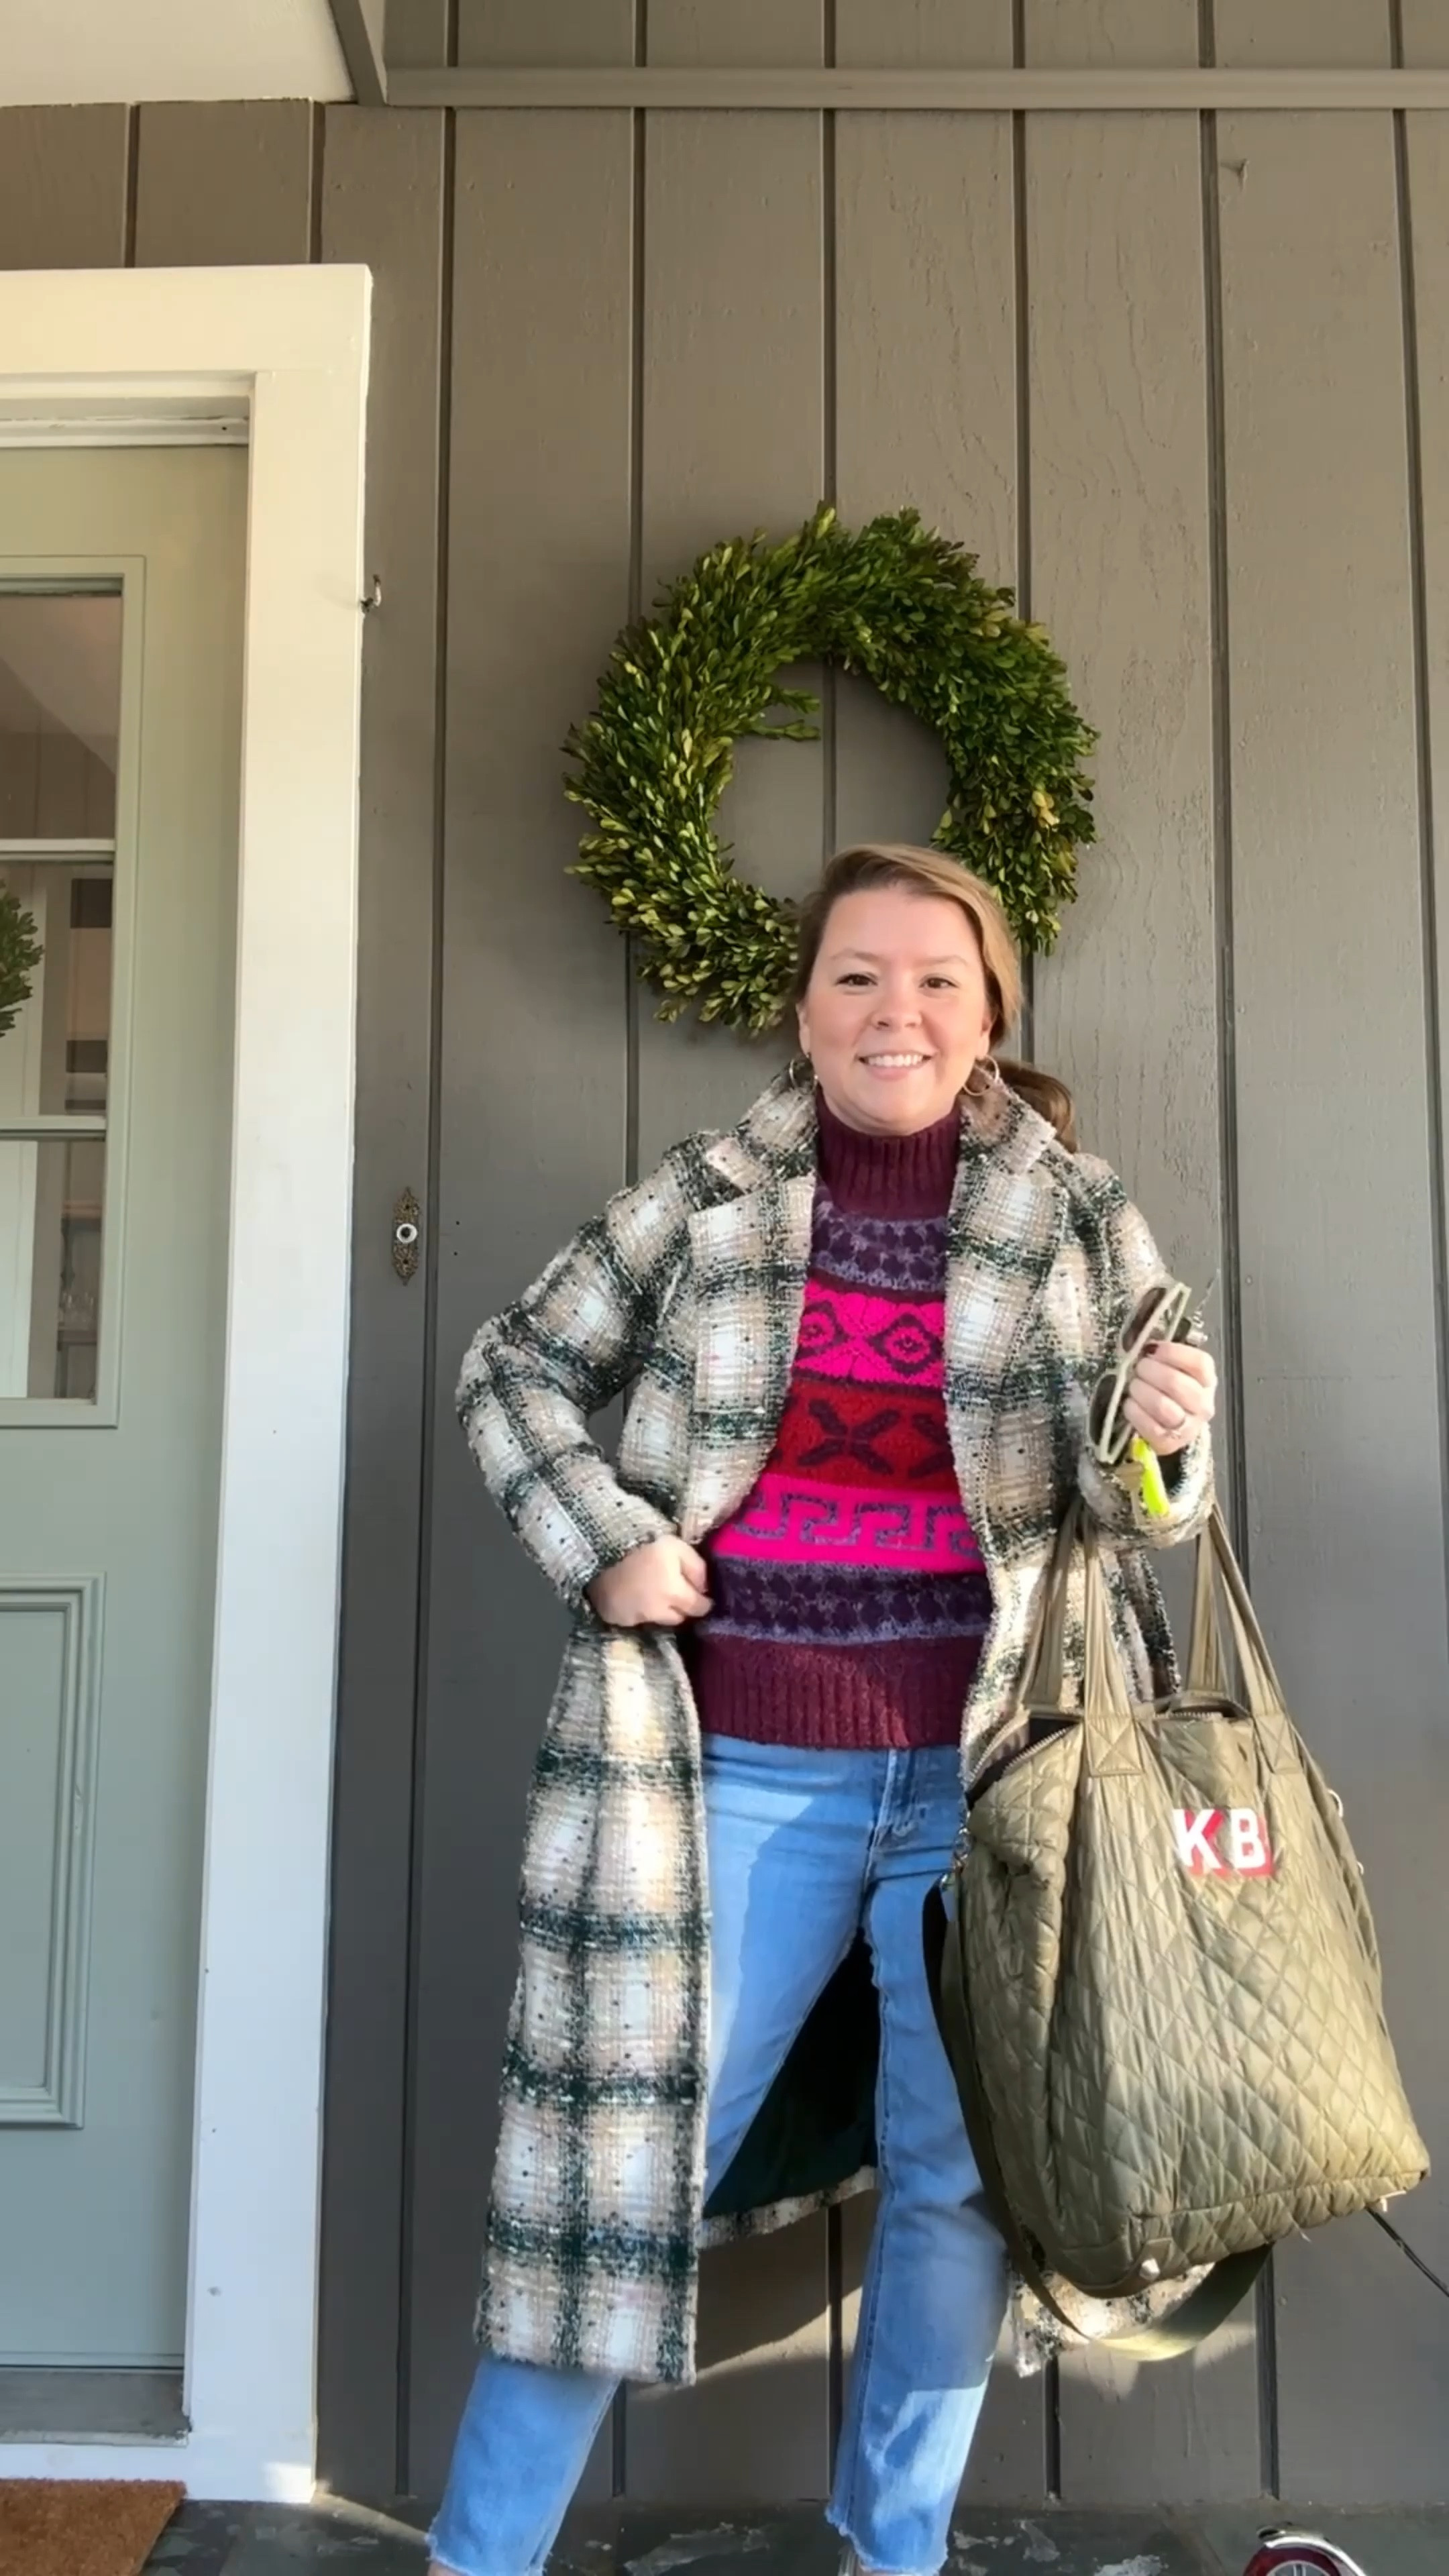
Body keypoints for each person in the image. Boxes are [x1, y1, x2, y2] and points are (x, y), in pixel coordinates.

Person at [429, 843, 1216, 2576]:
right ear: (804, 1009)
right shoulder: (708, 1196)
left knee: (960, 2188)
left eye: (938, 980)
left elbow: (1142, 1513)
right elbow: (513, 1366)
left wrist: (1164, 1437)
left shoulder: (1078, 1213)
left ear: (990, 1015)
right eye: (858, 976)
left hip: (990, 1784)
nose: (895, 1012)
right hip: (740, 1771)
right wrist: (604, 1545)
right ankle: (475, 2561)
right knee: (614, 2183)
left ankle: (894, 2553)